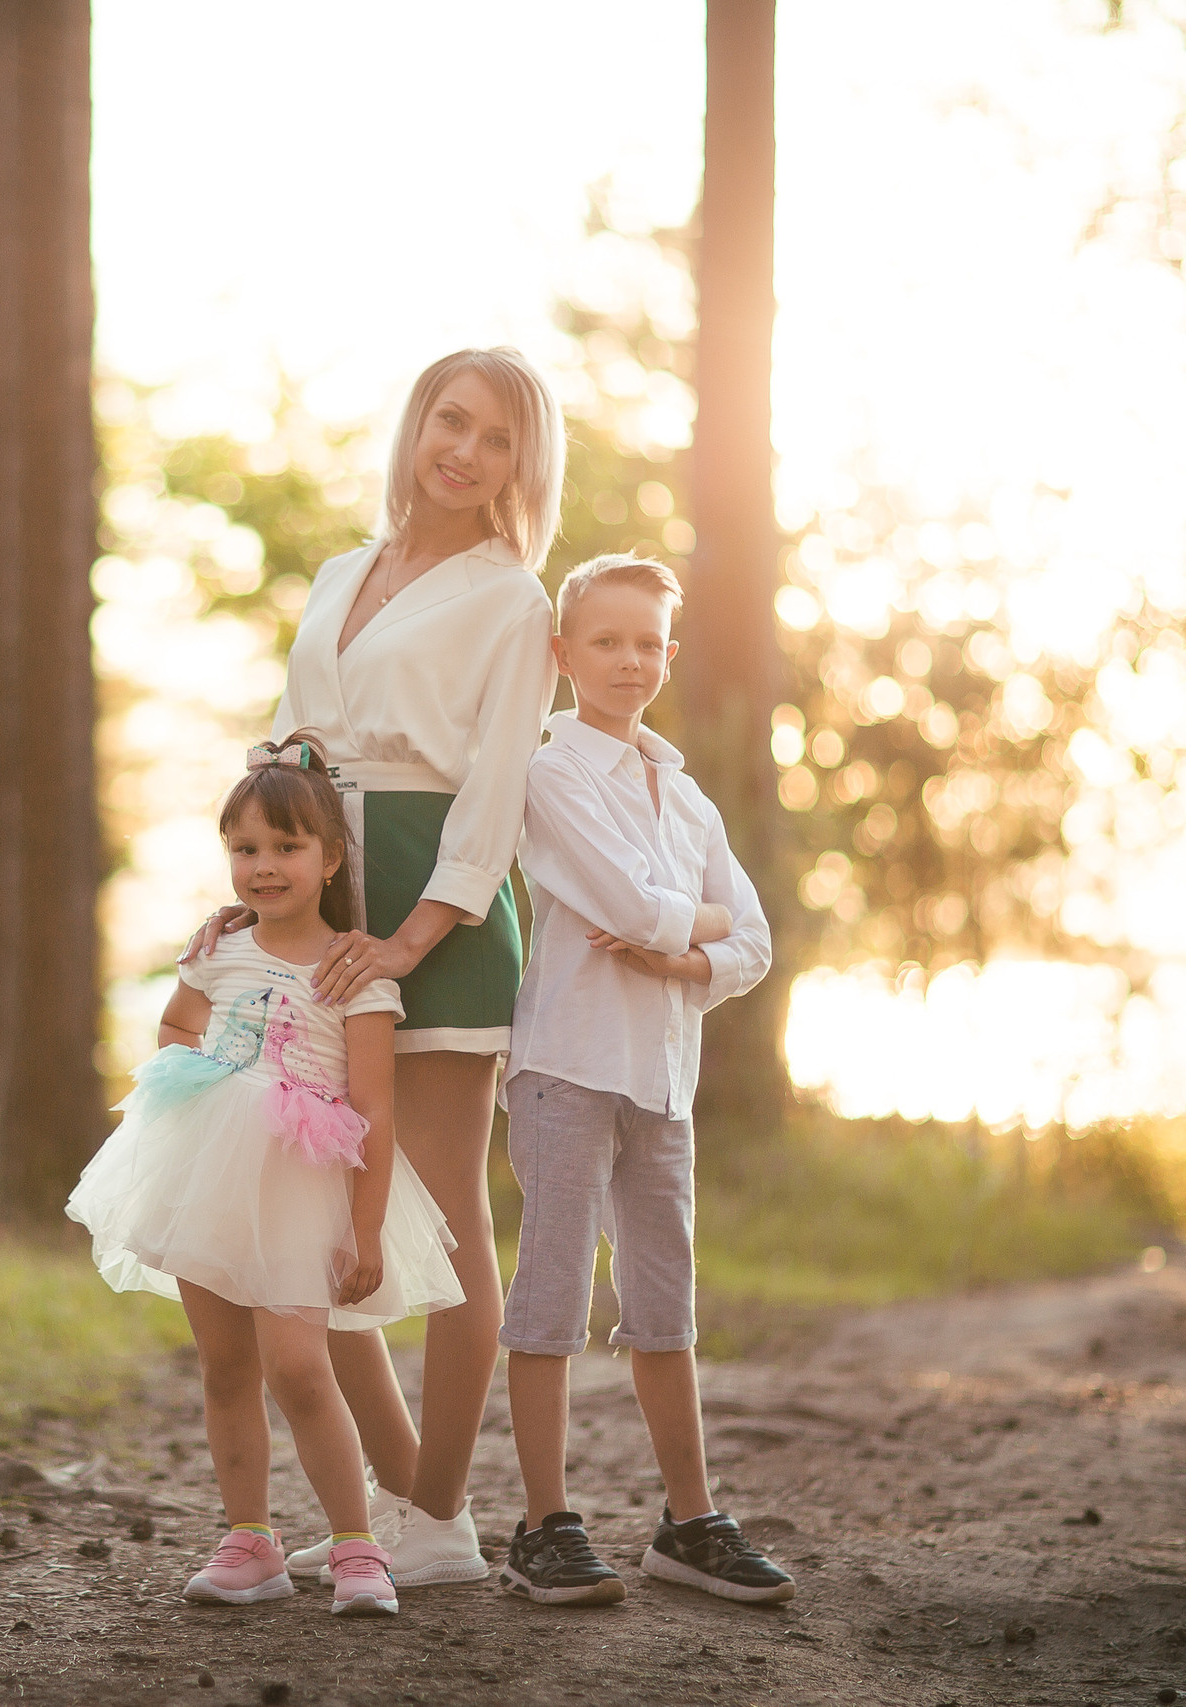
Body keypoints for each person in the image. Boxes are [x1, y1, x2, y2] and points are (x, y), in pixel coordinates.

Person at [185, 347, 564, 1586]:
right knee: (319, 1207)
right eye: (450, 421)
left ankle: (441, 1509)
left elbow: (499, 782)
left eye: (497, 439)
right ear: (416, 427)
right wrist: (249, 905)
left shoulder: (513, 599)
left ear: (522, 464)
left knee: (443, 1211)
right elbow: (292, 752)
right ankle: (406, 1501)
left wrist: (413, 933)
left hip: (432, 911)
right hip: (319, 900)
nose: (464, 450)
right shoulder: (343, 570)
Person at [69, 736, 466, 1617]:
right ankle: (250, 1539)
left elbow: (375, 1112)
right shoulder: (217, 951)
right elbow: (175, 1031)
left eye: (286, 847)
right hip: (209, 1171)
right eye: (245, 848)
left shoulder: (355, 973)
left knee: (299, 1364)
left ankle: (361, 1547)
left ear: (329, 858)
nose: (264, 865)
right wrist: (218, 1083)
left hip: (302, 1183)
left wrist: (365, 1230)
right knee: (223, 1365)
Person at [494, 554, 795, 1608]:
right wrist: (688, 923)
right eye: (605, 641)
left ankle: (689, 1521)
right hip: (567, 1065)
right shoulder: (551, 771)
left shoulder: (689, 796)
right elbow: (629, 904)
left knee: (664, 1303)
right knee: (555, 1292)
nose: (627, 660)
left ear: (669, 655)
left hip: (663, 1076)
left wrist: (685, 950)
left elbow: (752, 940)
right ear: (563, 653)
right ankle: (543, 1522)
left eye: (646, 644)